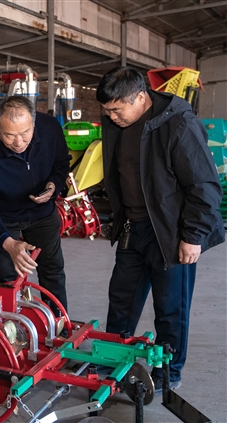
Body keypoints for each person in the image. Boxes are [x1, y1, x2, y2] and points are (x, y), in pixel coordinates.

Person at [96, 66, 225, 393]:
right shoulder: (117, 123)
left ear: (141, 97)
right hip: (132, 228)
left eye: (117, 110)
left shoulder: (178, 124)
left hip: (170, 233)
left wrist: (192, 236)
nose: (112, 117)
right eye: (107, 111)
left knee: (170, 309)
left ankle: (169, 372)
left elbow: (204, 186)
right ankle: (112, 364)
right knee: (121, 302)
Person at [0, 95, 70, 315]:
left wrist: (53, 186)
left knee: (53, 271)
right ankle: (10, 329)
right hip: (4, 217)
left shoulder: (50, 128)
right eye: (9, 135)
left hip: (43, 213)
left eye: (25, 133)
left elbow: (62, 163)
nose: (19, 142)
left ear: (34, 123)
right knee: (5, 278)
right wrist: (8, 244)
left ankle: (59, 324)